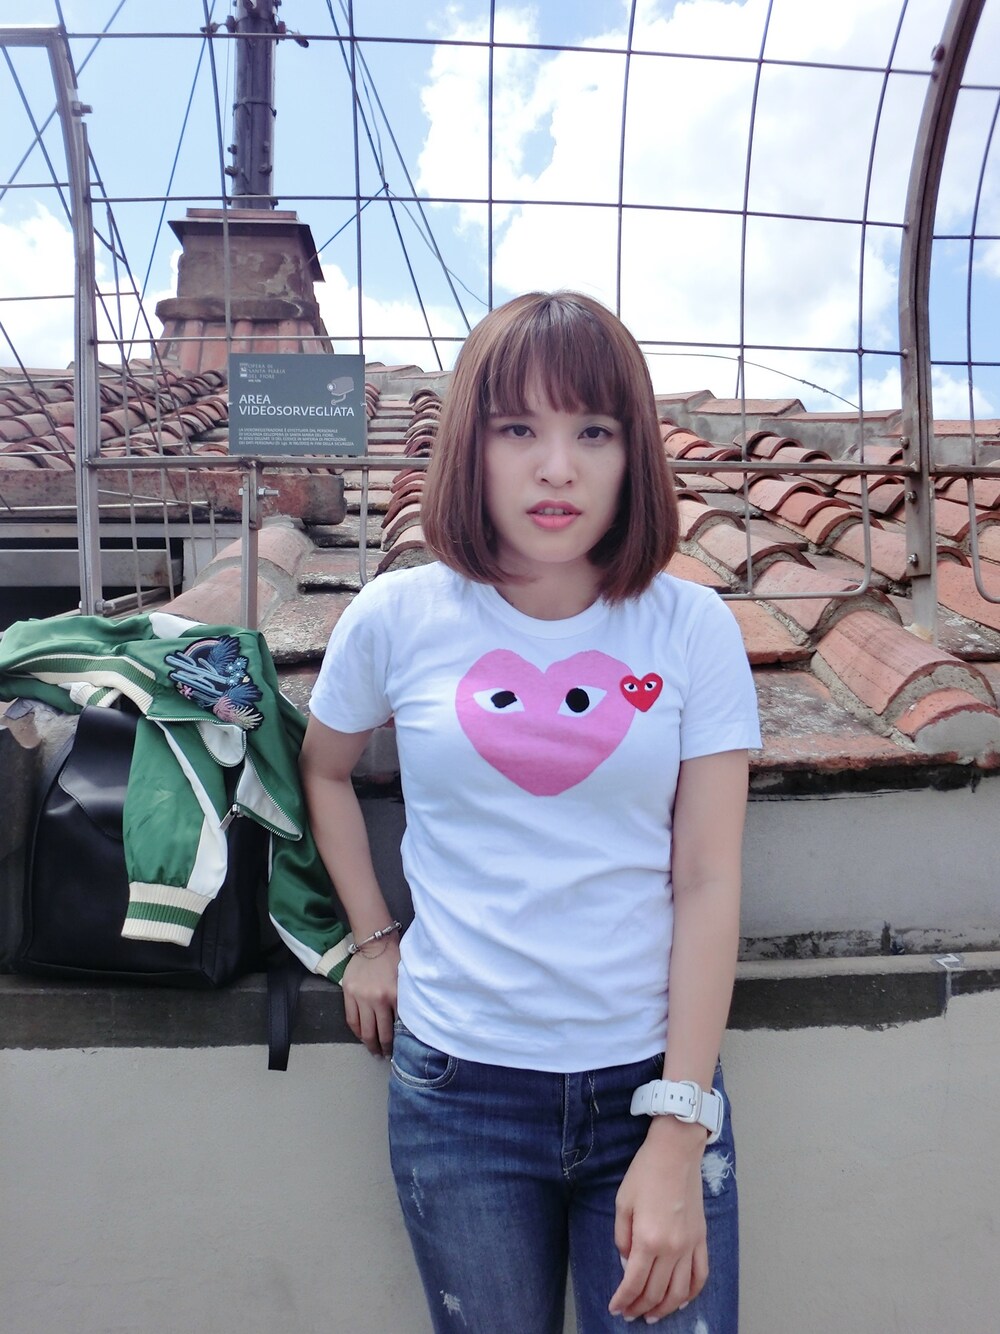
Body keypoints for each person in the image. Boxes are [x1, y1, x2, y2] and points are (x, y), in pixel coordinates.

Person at [299, 291, 760, 1333]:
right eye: (518, 429)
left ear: (633, 454)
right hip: (458, 1093)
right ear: (472, 444)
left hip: (652, 1086)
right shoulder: (399, 616)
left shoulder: (690, 628)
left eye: (593, 431)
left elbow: (707, 877)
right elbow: (324, 771)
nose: (557, 467)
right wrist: (370, 939)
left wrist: (679, 1128)